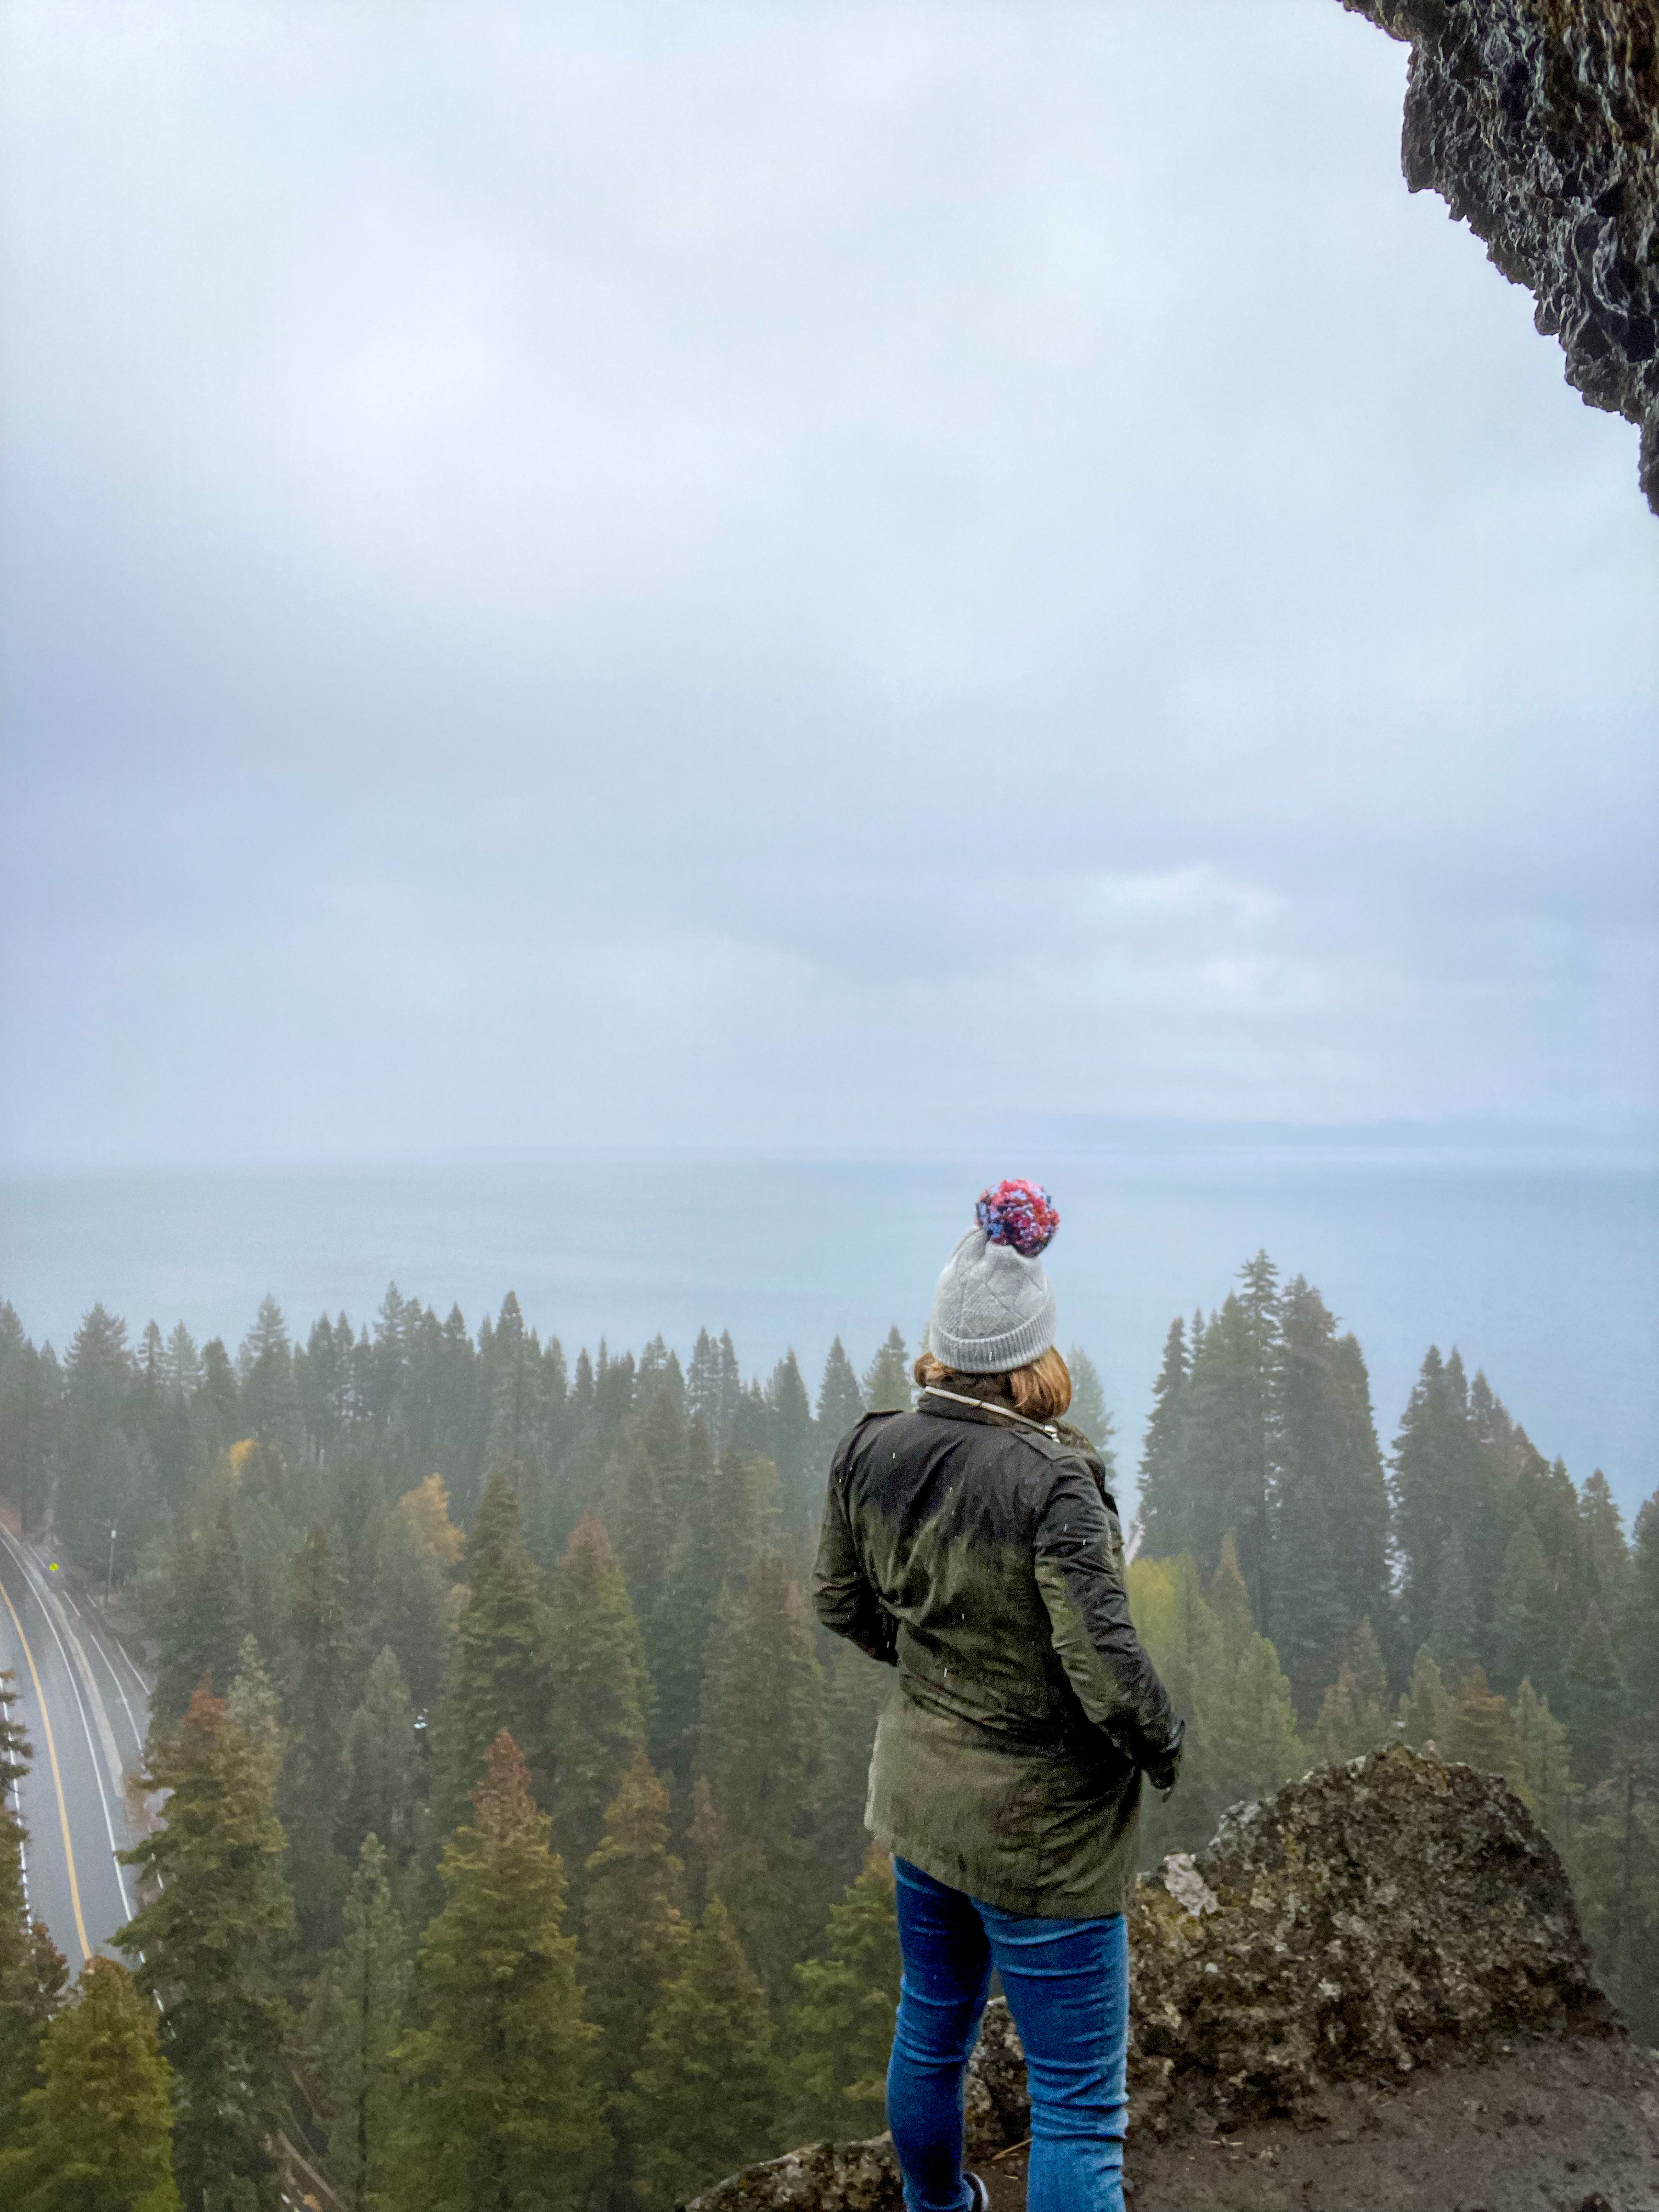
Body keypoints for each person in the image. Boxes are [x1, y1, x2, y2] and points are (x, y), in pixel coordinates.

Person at [813, 1179, 1183, 2212]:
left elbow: (840, 1604)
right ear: (1031, 1352)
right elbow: (1107, 1674)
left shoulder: (871, 1448)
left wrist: (936, 1672)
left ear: (945, 1345)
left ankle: (938, 2210)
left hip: (924, 1808)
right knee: (1075, 2107)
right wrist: (1165, 1746)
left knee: (931, 2027)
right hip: (1044, 1835)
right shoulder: (1055, 1483)